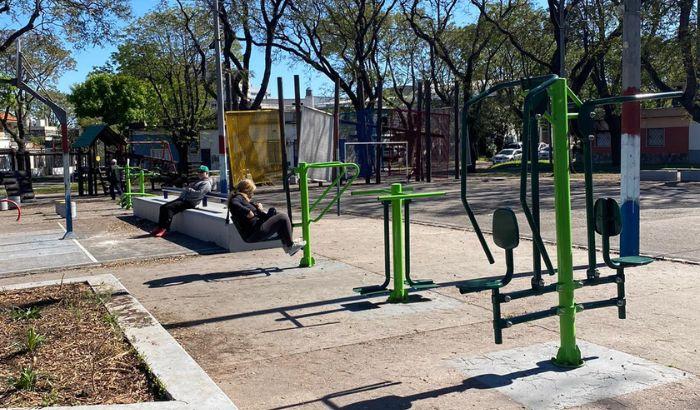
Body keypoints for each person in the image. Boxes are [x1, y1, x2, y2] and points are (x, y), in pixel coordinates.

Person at [228, 179, 305, 256]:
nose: (252, 195)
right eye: (252, 192)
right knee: (283, 217)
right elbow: (233, 203)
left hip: (256, 230)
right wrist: (248, 211)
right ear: (247, 191)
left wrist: (260, 210)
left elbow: (265, 218)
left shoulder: (246, 202)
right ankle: (290, 246)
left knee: (276, 214)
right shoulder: (238, 197)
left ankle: (288, 245)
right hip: (254, 232)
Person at [151, 165, 212, 237]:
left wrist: (189, 189)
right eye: (198, 172)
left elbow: (198, 194)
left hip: (190, 202)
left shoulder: (206, 183)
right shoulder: (199, 181)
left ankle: (165, 229)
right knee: (163, 207)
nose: (199, 173)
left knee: (169, 208)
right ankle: (160, 227)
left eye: (202, 172)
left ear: (207, 173)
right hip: (183, 199)